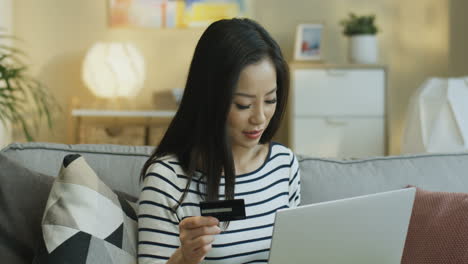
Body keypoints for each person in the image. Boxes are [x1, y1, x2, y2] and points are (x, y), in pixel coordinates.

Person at [138, 18, 301, 264]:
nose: (259, 117)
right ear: (210, 98)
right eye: (243, 104)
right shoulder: (167, 178)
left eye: (270, 100)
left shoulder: (284, 164)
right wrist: (185, 258)